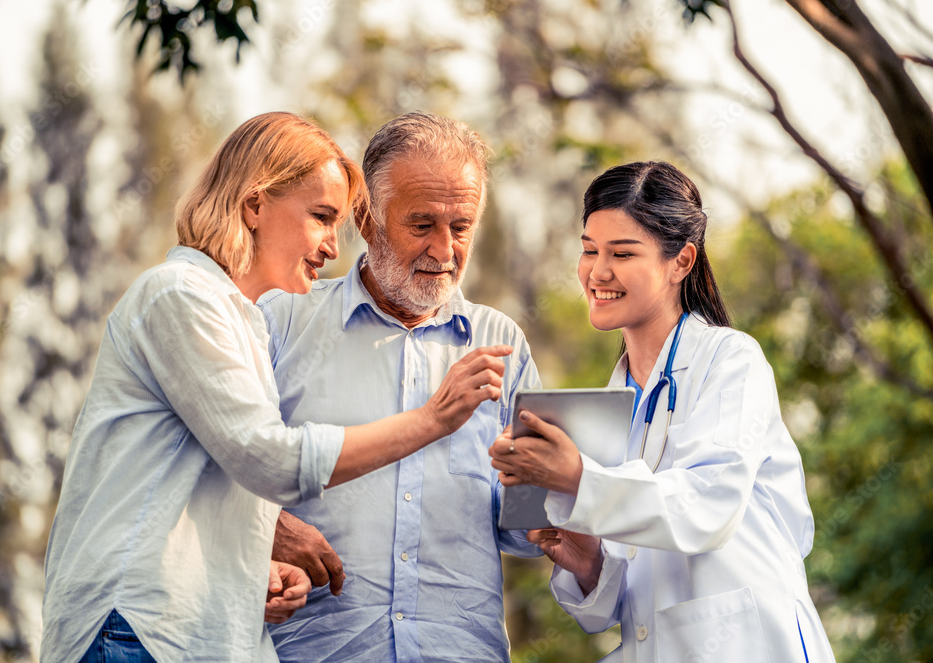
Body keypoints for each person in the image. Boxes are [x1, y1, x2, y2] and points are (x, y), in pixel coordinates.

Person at [41, 112, 513, 663]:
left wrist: (256, 568)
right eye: (320, 217)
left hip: (198, 633)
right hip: (137, 629)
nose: (332, 248)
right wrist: (434, 419)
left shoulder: (238, 317)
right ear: (255, 205)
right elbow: (273, 461)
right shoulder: (178, 295)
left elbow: (203, 483)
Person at [489, 161, 836, 662]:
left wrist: (580, 479)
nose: (597, 272)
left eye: (622, 253)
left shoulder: (731, 361)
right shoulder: (605, 407)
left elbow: (707, 505)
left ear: (682, 261)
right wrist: (586, 562)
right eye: (589, 250)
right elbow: (607, 610)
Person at [259, 112, 542, 661]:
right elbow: (213, 464)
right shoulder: (282, 321)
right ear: (365, 216)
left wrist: (555, 496)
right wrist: (263, 525)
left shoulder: (501, 340)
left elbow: (521, 531)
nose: (444, 249)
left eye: (461, 227)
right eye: (422, 225)